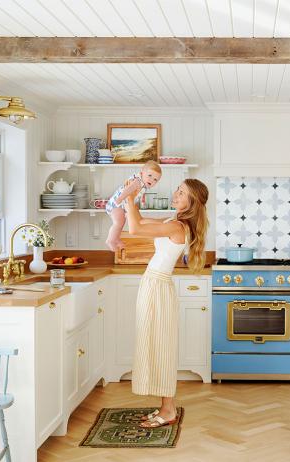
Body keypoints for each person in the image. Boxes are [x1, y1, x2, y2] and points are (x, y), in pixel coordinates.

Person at [123, 178, 209, 428]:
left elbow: (135, 229)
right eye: (178, 190)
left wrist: (128, 197)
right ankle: (165, 406)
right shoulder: (175, 223)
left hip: (157, 285)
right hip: (155, 284)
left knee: (160, 345)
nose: (175, 194)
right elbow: (141, 222)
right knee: (157, 343)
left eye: (181, 193)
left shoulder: (177, 227)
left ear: (191, 202)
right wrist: (133, 197)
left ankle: (168, 409)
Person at [105, 160, 162, 251]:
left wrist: (133, 208)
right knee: (119, 222)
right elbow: (128, 189)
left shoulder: (143, 185)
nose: (152, 180)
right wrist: (119, 199)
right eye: (150, 175)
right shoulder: (137, 181)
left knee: (121, 223)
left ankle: (116, 238)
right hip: (116, 205)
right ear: (142, 172)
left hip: (122, 206)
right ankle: (110, 240)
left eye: (155, 179)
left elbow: (135, 197)